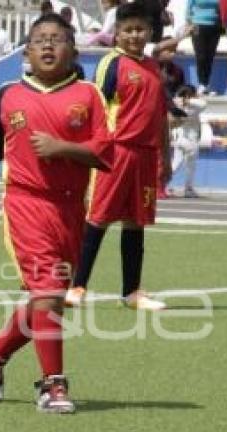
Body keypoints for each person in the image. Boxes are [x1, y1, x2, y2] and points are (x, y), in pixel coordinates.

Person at [0, 13, 112, 413]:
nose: (48, 45)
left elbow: (105, 152)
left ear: (73, 50)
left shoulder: (88, 95)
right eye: (40, 39)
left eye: (57, 39)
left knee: (50, 300)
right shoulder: (10, 94)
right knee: (47, 292)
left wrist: (63, 148)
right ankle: (52, 386)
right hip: (25, 204)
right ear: (26, 51)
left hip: (69, 207)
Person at [65, 1, 171, 311]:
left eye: (140, 30)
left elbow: (160, 116)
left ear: (150, 32)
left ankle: (132, 292)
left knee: (136, 223)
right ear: (117, 34)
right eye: (128, 30)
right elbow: (94, 106)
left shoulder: (152, 67)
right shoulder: (112, 64)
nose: (135, 36)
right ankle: (77, 285)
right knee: (98, 219)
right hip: (117, 153)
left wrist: (164, 154)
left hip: (147, 156)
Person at [170, 84, 206, 197]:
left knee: (175, 164)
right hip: (191, 141)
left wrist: (184, 100)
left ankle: (160, 184)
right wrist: (189, 100)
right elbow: (204, 104)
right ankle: (188, 189)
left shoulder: (178, 105)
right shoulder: (195, 106)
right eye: (194, 94)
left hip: (179, 139)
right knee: (191, 166)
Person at [186, 0, 222, 95]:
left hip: (215, 26)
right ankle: (201, 83)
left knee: (210, 56)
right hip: (198, 25)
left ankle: (206, 84)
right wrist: (189, 23)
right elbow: (189, 7)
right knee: (201, 56)